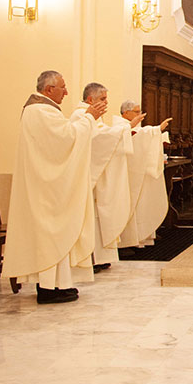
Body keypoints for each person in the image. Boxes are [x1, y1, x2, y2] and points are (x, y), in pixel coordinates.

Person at [3, 70, 106, 304]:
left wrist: (87, 118)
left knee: (53, 234)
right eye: (63, 87)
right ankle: (48, 289)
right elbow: (67, 139)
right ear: (49, 89)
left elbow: (64, 137)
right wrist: (89, 117)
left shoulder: (41, 111)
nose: (67, 92)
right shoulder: (40, 111)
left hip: (45, 184)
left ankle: (56, 285)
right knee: (51, 233)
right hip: (46, 187)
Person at [71, 83, 136, 272]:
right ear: (90, 99)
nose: (106, 103)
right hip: (88, 174)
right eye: (103, 99)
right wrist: (124, 129)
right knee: (92, 217)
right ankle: (90, 258)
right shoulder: (80, 115)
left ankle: (100, 256)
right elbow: (96, 140)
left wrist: (123, 130)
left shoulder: (93, 116)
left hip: (97, 174)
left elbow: (102, 136)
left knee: (99, 217)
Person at [115, 101, 171, 248]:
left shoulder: (131, 127)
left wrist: (156, 132)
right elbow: (136, 137)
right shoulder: (119, 126)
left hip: (136, 172)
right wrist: (157, 129)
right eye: (136, 112)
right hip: (127, 174)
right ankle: (127, 241)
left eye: (140, 112)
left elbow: (141, 135)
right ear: (126, 113)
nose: (139, 115)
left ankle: (141, 237)